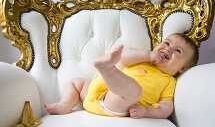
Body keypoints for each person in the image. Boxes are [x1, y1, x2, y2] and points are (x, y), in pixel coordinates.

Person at [44, 33, 199, 119]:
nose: (169, 49)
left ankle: (108, 69)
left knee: (134, 90)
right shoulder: (144, 60)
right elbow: (124, 57)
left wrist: (146, 111)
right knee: (76, 83)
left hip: (124, 106)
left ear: (183, 68)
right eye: (167, 43)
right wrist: (148, 55)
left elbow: (166, 108)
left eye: (178, 51)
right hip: (100, 96)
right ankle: (65, 104)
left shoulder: (169, 81)